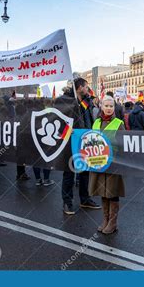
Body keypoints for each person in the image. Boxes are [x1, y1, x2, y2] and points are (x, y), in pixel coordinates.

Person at [57, 78, 101, 215]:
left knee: (84, 171)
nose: (88, 89)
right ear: (80, 87)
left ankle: (85, 198)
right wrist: (68, 132)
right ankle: (67, 202)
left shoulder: (86, 101)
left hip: (85, 140)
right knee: (69, 172)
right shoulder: (65, 100)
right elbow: (59, 120)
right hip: (70, 140)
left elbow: (88, 119)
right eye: (86, 86)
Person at [89, 95, 126, 234]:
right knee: (103, 192)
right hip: (99, 162)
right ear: (101, 106)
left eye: (111, 106)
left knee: (112, 192)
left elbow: (124, 145)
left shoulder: (119, 123)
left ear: (114, 107)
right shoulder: (96, 122)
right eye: (106, 105)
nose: (109, 108)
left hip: (113, 163)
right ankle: (105, 219)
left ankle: (113, 222)